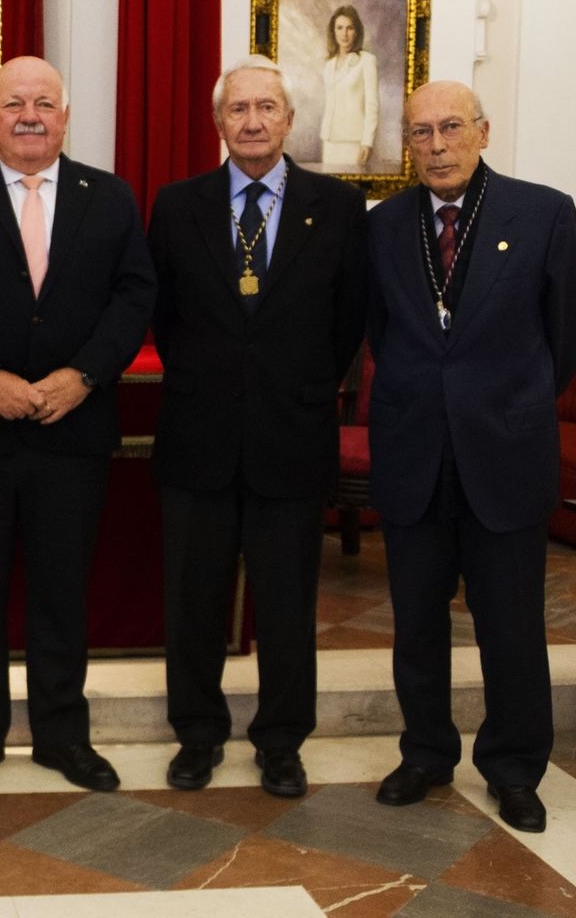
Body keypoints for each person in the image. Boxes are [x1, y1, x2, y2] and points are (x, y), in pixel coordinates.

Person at [0, 55, 156, 792]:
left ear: (65, 116)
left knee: (61, 591)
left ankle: (62, 737)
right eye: (14, 102)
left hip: (72, 432)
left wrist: (83, 376)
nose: (30, 115)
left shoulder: (108, 198)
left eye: (44, 102)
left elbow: (134, 295)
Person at [367, 80, 576, 833]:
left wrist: (503, 401)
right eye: (420, 132)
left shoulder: (543, 213)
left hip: (506, 454)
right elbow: (378, 333)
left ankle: (515, 767)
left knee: (512, 627)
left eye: (451, 127)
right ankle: (426, 752)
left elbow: (567, 337)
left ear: (483, 132)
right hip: (413, 455)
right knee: (417, 624)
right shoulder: (384, 225)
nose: (436, 145)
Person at [148, 55, 367, 798]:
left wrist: (298, 385)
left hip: (291, 437)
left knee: (285, 607)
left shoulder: (336, 207)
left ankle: (281, 743)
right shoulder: (177, 206)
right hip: (198, 440)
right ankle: (198, 736)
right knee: (194, 605)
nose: (252, 121)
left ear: (289, 120)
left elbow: (348, 322)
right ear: (219, 122)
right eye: (238, 109)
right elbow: (167, 318)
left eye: (266, 108)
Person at [319, 5, 378, 170]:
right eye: (339, 28)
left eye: (349, 28)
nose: (344, 34)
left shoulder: (367, 61)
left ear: (357, 31)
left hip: (354, 140)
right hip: (329, 139)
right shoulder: (328, 64)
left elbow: (372, 105)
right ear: (333, 31)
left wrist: (367, 142)